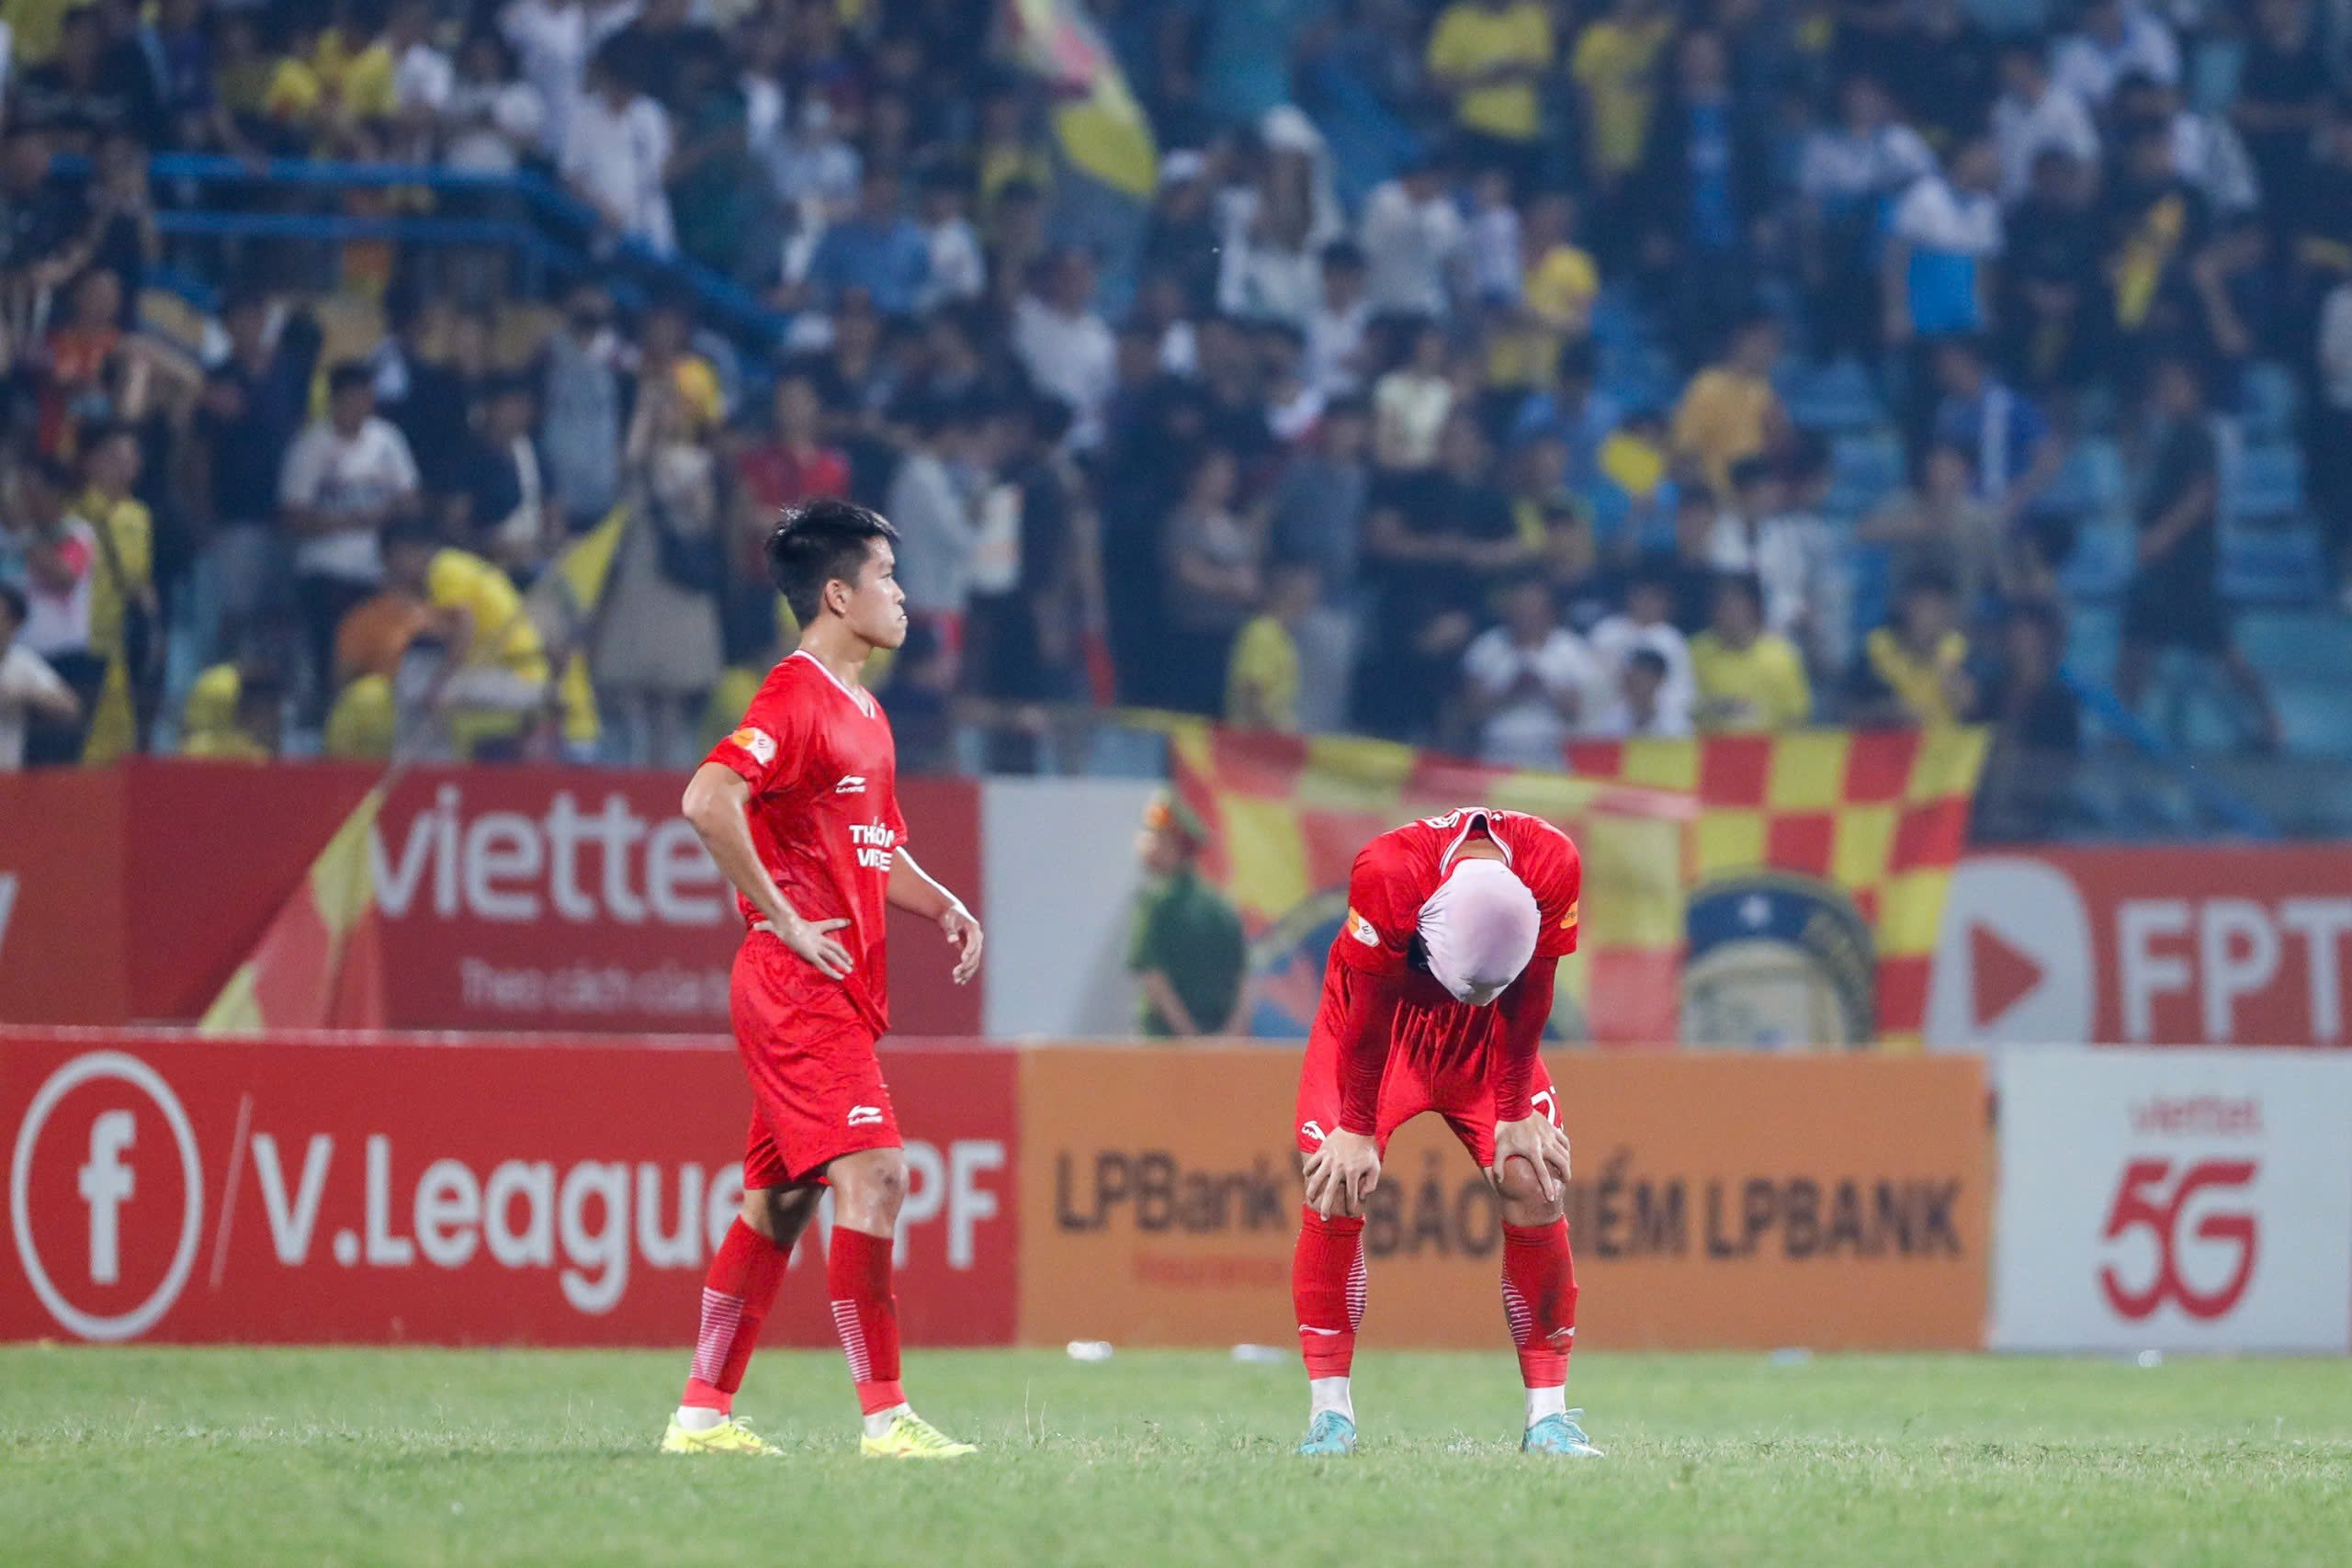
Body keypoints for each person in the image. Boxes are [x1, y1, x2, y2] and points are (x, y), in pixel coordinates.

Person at [667, 499, 982, 1461]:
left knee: (779, 1204)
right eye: (887, 576)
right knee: (877, 1175)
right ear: (838, 594)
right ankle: (885, 1418)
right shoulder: (795, 696)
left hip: (835, 987)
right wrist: (785, 915)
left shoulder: (866, 714)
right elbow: (706, 798)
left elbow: (875, 851)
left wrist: (944, 906)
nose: (902, 594)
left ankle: (699, 1416)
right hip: (794, 982)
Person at [1290, 806, 1596, 1459]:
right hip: (1380, 1029)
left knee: (1534, 1180)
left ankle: (1550, 1417)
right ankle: (1330, 1417)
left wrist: (1515, 1111)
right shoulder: (1387, 869)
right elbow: (1368, 1019)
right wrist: (1356, 1126)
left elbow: (1536, 989)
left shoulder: (1554, 862)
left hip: (1490, 1042)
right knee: (1335, 1183)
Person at [2116, 357, 2281, 750]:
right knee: (2135, 645)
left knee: (2221, 649)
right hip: (2161, 566)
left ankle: (2271, 722)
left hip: (2187, 565)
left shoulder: (2198, 435)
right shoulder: (2166, 435)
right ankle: (2124, 724)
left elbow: (2202, 494)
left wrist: (2162, 535)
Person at [279, 360, 423, 714]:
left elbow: (410, 498)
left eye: (367, 398)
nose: (361, 406)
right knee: (333, 658)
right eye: (354, 398)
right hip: (328, 569)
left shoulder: (387, 440)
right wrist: (352, 520)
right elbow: (292, 516)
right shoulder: (312, 445)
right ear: (336, 400)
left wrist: (387, 515)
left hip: (379, 570)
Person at [1127, 790, 1250, 1039]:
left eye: (1156, 836)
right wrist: (1224, 1039)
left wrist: (1189, 1037)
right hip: (1218, 1052)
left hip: (1163, 1048)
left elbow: (1154, 980)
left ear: (1174, 846)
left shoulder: (1155, 903)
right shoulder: (1220, 907)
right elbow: (1246, 981)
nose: (1145, 843)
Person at [1459, 578, 1596, 768]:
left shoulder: (1570, 648)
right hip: (1495, 752)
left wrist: (1543, 687)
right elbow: (1471, 712)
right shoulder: (1486, 647)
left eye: (1533, 606)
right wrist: (1510, 691)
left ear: (1549, 611)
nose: (1526, 613)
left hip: (1551, 753)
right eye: (1520, 606)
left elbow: (1578, 712)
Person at [1849, 568, 1976, 728]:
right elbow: (1849, 713)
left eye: (1937, 608)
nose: (1928, 617)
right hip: (1890, 748)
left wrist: (1952, 680)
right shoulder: (1876, 650)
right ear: (1903, 606)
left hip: (1949, 750)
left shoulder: (1961, 653)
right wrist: (1890, 713)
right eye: (1922, 607)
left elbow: (1976, 713)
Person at [1690, 572, 1811, 731]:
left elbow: (1796, 716)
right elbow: (1684, 709)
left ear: (1753, 608)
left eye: (1736, 605)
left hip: (1768, 751)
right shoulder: (1695, 653)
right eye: (1723, 606)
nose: (1730, 613)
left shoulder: (1781, 655)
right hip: (1710, 750)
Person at [1227, 559, 1317, 733]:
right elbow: (1251, 694)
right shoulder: (1262, 633)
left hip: (1270, 742)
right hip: (1254, 744)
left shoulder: (1283, 638)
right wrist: (1277, 734)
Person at [0, 583, 79, 771]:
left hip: (9, 778)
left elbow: (70, 705)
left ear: (14, 623)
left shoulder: (22, 663)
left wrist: (24, 695)